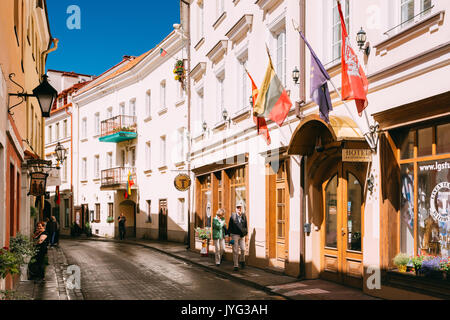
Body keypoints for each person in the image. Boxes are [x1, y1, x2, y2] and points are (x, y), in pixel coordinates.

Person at [227, 201, 248, 271]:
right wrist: (229, 236)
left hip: (242, 235)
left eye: (240, 208)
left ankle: (242, 261)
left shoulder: (244, 216)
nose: (239, 209)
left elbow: (245, 225)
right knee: (235, 251)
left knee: (243, 249)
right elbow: (229, 226)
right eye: (238, 207)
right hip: (235, 235)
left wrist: (246, 234)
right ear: (236, 209)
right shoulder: (233, 216)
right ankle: (236, 265)